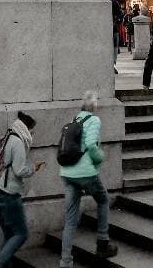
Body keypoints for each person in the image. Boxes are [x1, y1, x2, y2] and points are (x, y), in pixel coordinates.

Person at [58, 91, 118, 265]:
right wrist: (100, 157)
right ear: (94, 106)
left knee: (70, 220)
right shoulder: (94, 120)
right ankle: (102, 243)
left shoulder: (74, 120)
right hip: (85, 173)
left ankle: (65, 261)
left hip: (67, 173)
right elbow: (91, 144)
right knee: (103, 200)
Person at [0, 112, 44, 267]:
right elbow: (19, 170)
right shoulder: (17, 142)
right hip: (7, 195)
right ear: (27, 128)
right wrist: (33, 167)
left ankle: (3, 265)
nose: (32, 134)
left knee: (9, 233)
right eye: (32, 131)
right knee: (21, 234)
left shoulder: (8, 136)